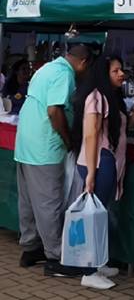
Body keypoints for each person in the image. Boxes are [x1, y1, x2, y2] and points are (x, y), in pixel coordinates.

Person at [14, 45, 92, 278]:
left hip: (26, 143)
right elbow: (54, 111)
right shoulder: (64, 74)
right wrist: (68, 140)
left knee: (28, 201)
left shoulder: (47, 68)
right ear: (84, 63)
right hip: (44, 146)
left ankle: (30, 248)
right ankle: (56, 256)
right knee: (49, 203)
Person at [72, 55, 134, 289]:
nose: (121, 74)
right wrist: (92, 175)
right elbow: (91, 135)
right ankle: (89, 271)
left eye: (121, 70)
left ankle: (98, 263)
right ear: (103, 73)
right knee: (94, 216)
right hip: (98, 162)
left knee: (100, 213)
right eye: (115, 71)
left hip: (104, 161)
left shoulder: (109, 98)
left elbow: (119, 129)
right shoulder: (95, 99)